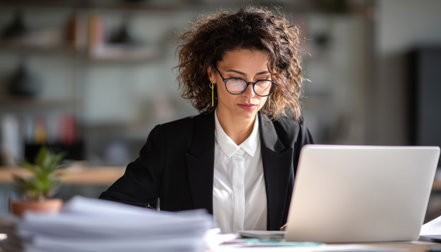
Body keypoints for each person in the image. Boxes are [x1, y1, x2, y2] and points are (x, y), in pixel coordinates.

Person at [100, 6, 314, 233]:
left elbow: (324, 212)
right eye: (236, 79)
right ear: (212, 73)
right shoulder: (171, 142)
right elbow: (112, 208)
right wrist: (161, 228)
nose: (250, 94)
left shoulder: (294, 138)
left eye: (262, 80)